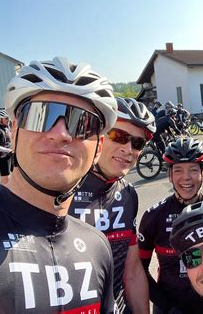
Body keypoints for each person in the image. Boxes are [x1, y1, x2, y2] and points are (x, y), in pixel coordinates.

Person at [0, 56, 118, 312]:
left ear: (99, 148)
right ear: (14, 131)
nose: (61, 133)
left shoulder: (98, 246)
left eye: (81, 122)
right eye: (40, 114)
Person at [69, 97, 155, 313]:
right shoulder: (62, 186)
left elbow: (133, 270)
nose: (128, 149)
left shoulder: (127, 193)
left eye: (137, 143)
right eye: (119, 136)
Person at [138, 137, 203, 313]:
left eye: (193, 169)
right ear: (169, 175)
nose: (186, 177)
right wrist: (167, 307)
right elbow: (139, 270)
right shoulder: (153, 216)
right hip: (167, 305)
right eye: (178, 170)